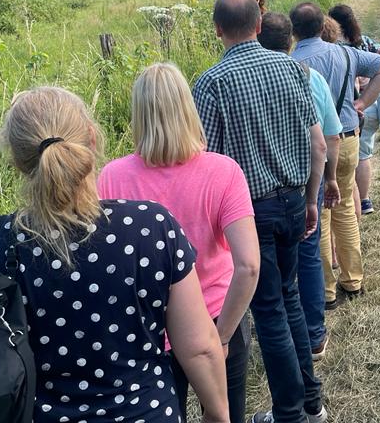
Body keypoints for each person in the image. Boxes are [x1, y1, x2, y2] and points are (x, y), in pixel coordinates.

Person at [0, 86, 229, 423]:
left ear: (16, 160)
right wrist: (218, 414)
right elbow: (200, 347)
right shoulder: (151, 227)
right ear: (91, 138)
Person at [192, 0, 328, 423]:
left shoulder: (211, 84)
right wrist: (311, 199)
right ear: (258, 24)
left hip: (251, 212)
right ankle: (310, 401)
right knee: (287, 300)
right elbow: (318, 144)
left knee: (268, 310)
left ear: (217, 30)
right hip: (293, 200)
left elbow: (205, 160)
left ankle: (291, 414)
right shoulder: (293, 69)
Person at [98, 63, 259, 423]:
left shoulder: (110, 178)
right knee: (223, 414)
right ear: (189, 108)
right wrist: (221, 336)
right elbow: (248, 266)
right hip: (217, 314)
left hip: (145, 325)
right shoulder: (224, 172)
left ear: (137, 114)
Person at [290, 2, 380, 310]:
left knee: (319, 216)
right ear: (323, 24)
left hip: (315, 146)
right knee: (346, 207)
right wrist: (361, 103)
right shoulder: (346, 53)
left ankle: (326, 290)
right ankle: (354, 279)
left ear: (293, 31)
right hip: (349, 138)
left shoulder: (292, 63)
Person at [257, 12, 341, 362]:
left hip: (260, 190)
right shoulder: (308, 77)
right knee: (307, 257)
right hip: (306, 182)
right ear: (290, 42)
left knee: (268, 267)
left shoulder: (249, 80)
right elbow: (327, 140)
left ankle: (279, 338)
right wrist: (329, 179)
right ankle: (314, 335)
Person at [328, 4, 380, 216]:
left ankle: (357, 199)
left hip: (353, 107)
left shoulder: (334, 47)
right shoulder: (364, 41)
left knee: (354, 156)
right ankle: (364, 200)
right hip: (372, 104)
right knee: (364, 154)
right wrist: (371, 83)